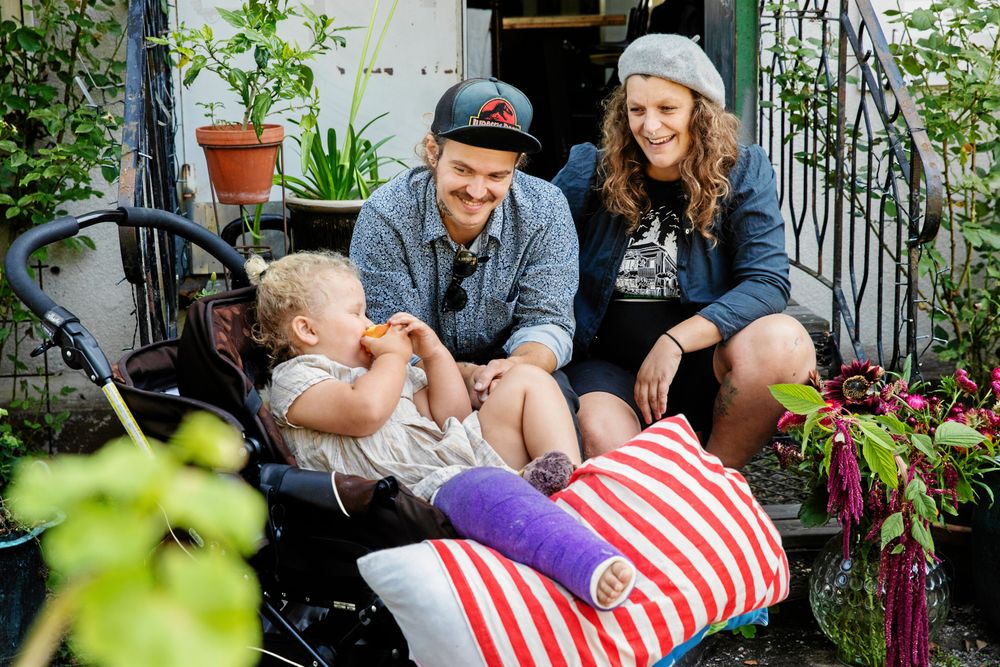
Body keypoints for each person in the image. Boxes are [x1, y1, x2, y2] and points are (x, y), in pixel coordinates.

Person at [249, 251, 633, 609]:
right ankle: (579, 559)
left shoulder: (380, 367)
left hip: (457, 459)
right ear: (307, 331)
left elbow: (450, 414)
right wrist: (395, 360)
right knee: (482, 485)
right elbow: (365, 411)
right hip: (414, 494)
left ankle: (572, 493)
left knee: (528, 380)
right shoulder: (297, 379)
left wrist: (432, 355)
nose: (370, 325)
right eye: (357, 314)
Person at [553, 34, 817, 468]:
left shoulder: (743, 170)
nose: (651, 127)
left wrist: (674, 341)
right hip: (607, 368)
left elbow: (767, 282)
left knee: (784, 343)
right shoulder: (589, 170)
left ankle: (717, 484)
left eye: (667, 109)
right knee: (601, 435)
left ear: (701, 110)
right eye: (637, 110)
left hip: (704, 367)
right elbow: (538, 257)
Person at [349, 77, 579, 414]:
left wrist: (515, 368)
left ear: (516, 167)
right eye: (462, 169)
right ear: (433, 152)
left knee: (550, 400)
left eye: (497, 176)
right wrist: (463, 376)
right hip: (415, 377)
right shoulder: (387, 214)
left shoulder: (545, 208)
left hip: (512, 371)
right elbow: (387, 336)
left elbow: (549, 321)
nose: (476, 190)